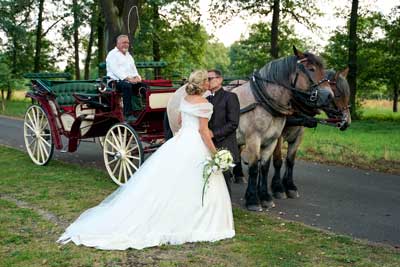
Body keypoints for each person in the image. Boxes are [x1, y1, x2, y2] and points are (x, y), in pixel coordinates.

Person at [57, 70, 235, 250]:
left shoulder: (185, 100)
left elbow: (181, 121)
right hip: (195, 144)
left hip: (180, 142)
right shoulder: (204, 103)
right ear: (203, 84)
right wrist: (215, 154)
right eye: (207, 81)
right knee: (195, 182)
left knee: (174, 181)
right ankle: (194, 220)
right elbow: (203, 132)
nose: (209, 83)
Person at [206, 70, 245, 190]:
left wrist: (213, 134)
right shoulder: (206, 99)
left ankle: (226, 207)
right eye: (206, 79)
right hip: (207, 145)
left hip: (224, 145)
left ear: (220, 79)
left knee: (224, 181)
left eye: (210, 78)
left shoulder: (230, 97)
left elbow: (233, 123)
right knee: (210, 181)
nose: (207, 82)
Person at [106, 34, 144, 122]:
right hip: (114, 81)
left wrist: (138, 78)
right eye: (124, 42)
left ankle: (139, 110)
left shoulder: (128, 56)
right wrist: (129, 79)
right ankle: (128, 114)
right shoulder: (112, 55)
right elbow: (116, 71)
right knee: (127, 86)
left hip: (129, 81)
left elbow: (134, 69)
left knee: (143, 86)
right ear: (118, 43)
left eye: (127, 42)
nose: (126, 44)